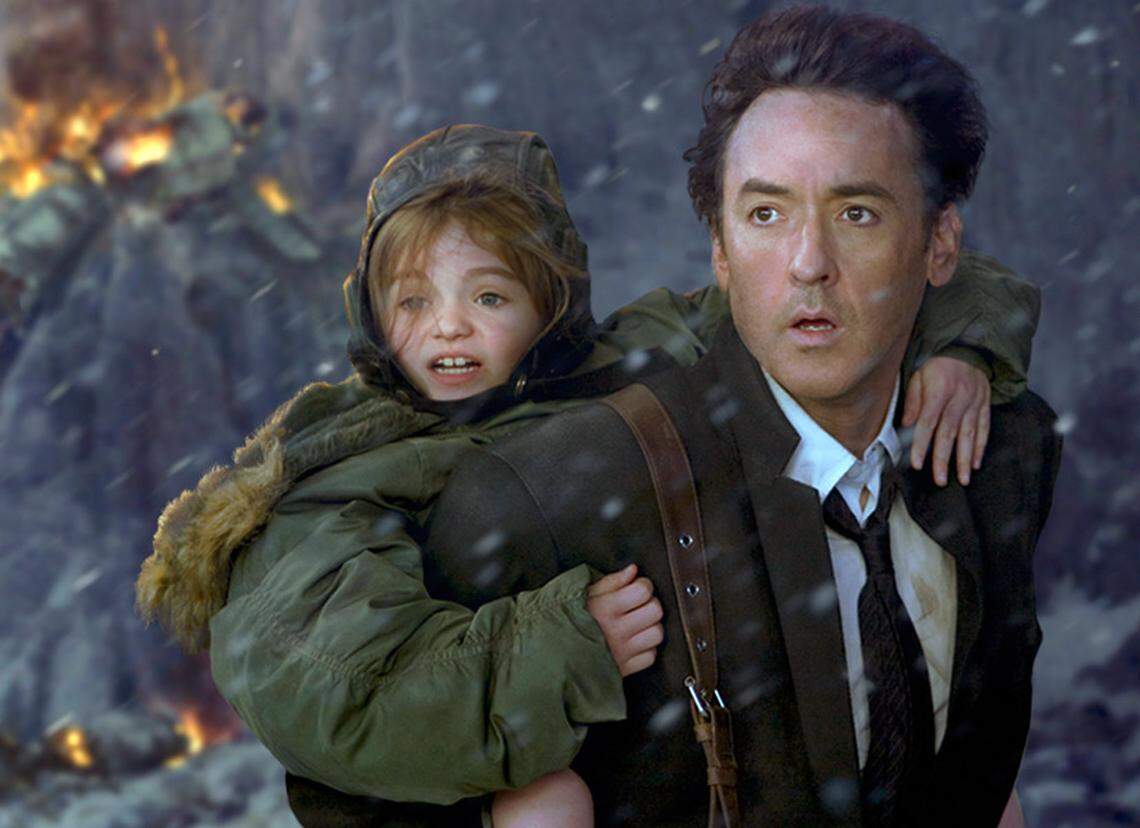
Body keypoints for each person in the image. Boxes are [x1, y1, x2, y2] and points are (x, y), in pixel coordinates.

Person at [137, 115, 1040, 826]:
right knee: (545, 809)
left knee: (967, 779)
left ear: (550, 300)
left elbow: (827, 292)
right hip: (459, 782)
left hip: (686, 743)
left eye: (487, 296)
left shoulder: (633, 354)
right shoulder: (353, 464)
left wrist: (957, 347)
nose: (448, 328)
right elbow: (335, 688)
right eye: (414, 301)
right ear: (375, 313)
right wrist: (560, 647)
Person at [422, 8, 1061, 828]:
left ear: (942, 245)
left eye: (856, 212)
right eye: (767, 214)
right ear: (720, 250)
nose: (808, 263)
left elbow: (982, 757)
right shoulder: (557, 489)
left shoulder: (1007, 452)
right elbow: (370, 781)